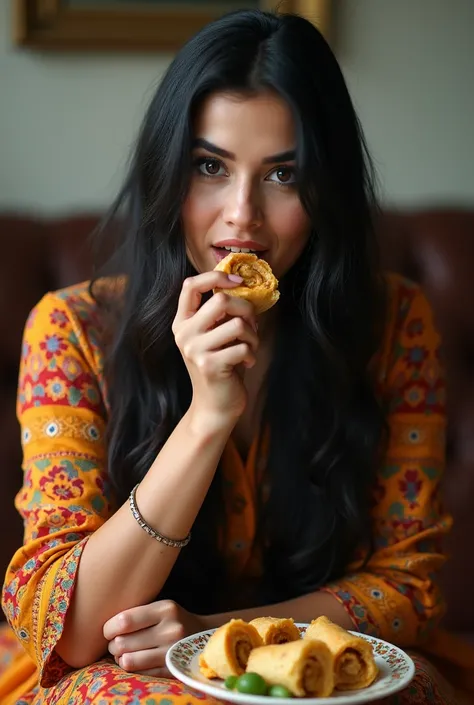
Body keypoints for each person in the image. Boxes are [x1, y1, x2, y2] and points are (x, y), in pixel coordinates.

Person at [1, 8, 473, 705]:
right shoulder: (71, 331)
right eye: (210, 167)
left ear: (325, 191)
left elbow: (410, 588)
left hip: (323, 653)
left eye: (284, 174)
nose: (242, 216)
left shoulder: (396, 325)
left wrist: (218, 635)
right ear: (168, 171)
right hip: (119, 669)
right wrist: (207, 416)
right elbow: (68, 629)